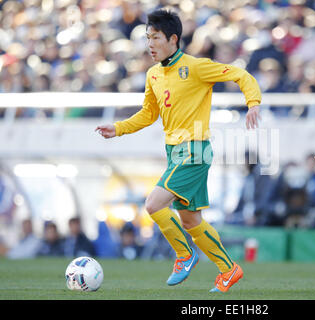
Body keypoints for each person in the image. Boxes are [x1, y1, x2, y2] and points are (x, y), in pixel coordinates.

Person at [96, 9, 261, 293]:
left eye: (155, 37)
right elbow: (148, 115)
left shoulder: (196, 67)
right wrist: (119, 127)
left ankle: (185, 255)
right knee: (190, 219)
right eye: (147, 37)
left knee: (153, 204)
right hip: (176, 152)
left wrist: (253, 102)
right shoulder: (153, 75)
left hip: (195, 150)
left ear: (173, 39)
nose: (150, 44)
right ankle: (228, 269)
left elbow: (241, 74)